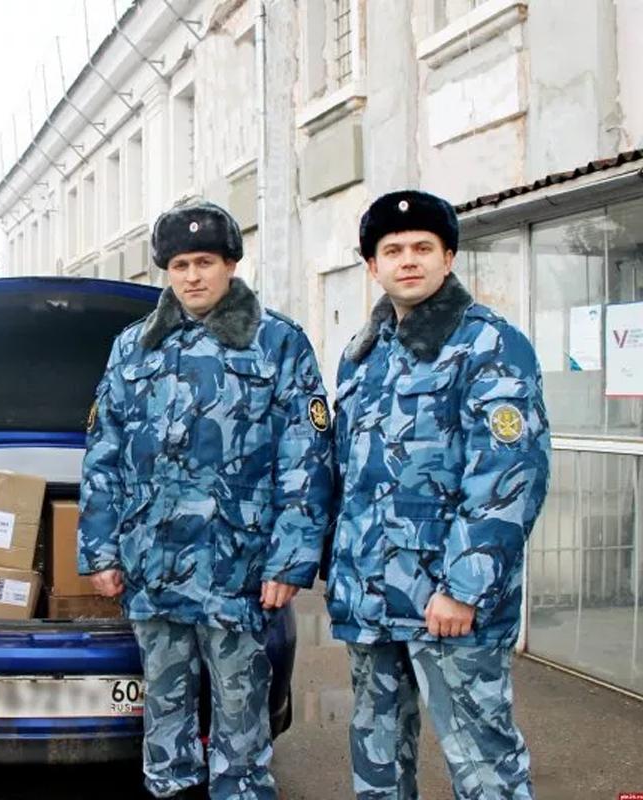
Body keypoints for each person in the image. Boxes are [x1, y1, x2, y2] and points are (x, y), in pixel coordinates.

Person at [78, 201, 334, 800]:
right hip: (152, 564)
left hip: (236, 568)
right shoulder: (133, 348)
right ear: (165, 271)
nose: (193, 276)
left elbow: (307, 456)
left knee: (242, 714)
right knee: (164, 713)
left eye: (205, 262)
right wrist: (100, 550)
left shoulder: (279, 343)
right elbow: (103, 452)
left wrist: (290, 559)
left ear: (231, 264)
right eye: (180, 264)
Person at [326, 190, 551, 799]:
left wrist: (463, 588)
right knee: (377, 760)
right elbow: (351, 477)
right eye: (391, 250)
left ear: (448, 256)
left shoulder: (489, 345)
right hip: (372, 598)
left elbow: (509, 478)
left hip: (447, 605)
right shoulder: (361, 356)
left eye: (423, 247)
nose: (408, 260)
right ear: (372, 265)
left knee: (484, 765)